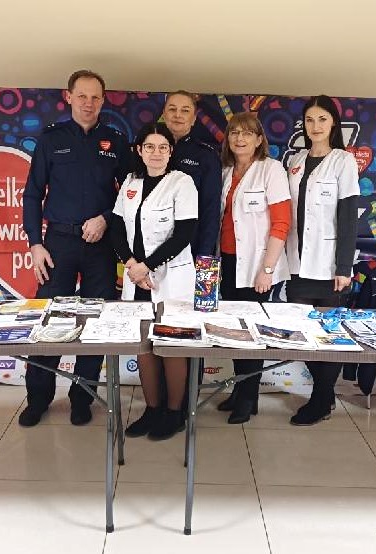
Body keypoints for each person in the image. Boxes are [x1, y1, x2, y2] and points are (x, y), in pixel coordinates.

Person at [20, 69, 131, 427]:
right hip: (58, 244)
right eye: (81, 95)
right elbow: (33, 193)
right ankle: (38, 398)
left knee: (95, 322)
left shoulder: (116, 141)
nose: (88, 103)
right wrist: (35, 243)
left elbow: (132, 192)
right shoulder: (51, 139)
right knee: (50, 320)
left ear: (103, 100)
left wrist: (106, 218)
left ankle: (82, 398)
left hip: (100, 245)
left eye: (95, 97)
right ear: (68, 97)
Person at [110, 123, 198, 440]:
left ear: (171, 152)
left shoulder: (182, 182)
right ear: (139, 150)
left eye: (163, 147)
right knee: (144, 346)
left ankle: (174, 413)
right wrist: (132, 266)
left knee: (171, 345)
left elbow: (185, 233)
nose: (156, 153)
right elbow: (117, 228)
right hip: (137, 278)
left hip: (171, 278)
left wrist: (147, 266)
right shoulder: (131, 182)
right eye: (150, 146)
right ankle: (152, 408)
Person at [286, 95, 360, 426]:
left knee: (327, 337)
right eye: (310, 120)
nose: (315, 126)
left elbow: (348, 217)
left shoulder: (343, 161)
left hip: (329, 265)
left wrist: (344, 267)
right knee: (302, 332)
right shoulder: (296, 160)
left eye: (322, 119)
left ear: (333, 123)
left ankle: (320, 399)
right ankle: (325, 394)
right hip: (297, 262)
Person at [217, 112, 292, 423]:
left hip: (258, 265)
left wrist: (267, 269)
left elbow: (282, 222)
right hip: (228, 262)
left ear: (259, 139)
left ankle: (249, 398)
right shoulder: (225, 171)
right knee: (235, 331)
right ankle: (240, 390)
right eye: (234, 132)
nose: (240, 138)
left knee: (252, 332)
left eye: (247, 133)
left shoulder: (271, 170)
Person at [162, 90, 221, 257]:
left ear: (194, 118)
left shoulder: (206, 156)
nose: (178, 115)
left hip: (190, 249)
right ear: (164, 115)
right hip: (150, 247)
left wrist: (205, 257)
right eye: (172, 109)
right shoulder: (147, 151)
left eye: (185, 110)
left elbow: (211, 211)